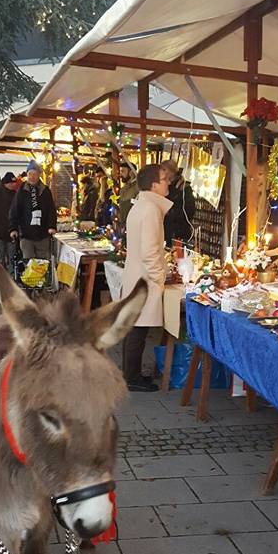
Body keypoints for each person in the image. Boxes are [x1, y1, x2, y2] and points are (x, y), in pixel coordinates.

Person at [121, 164, 172, 392]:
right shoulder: (150, 208)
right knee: (137, 330)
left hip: (136, 275)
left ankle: (130, 374)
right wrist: (159, 278)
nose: (167, 182)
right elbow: (150, 250)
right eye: (164, 179)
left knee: (135, 329)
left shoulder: (142, 205)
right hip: (144, 278)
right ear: (153, 184)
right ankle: (131, 377)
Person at [9, 159, 57, 260]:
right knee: (29, 262)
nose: (32, 177)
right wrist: (13, 228)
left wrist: (52, 226)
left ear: (39, 175)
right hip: (26, 234)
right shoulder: (21, 191)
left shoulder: (45, 190)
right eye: (30, 174)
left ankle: (43, 276)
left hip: (43, 233)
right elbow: (14, 210)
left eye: (34, 174)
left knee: (43, 262)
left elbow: (51, 210)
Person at [161, 160, 196, 245]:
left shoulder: (184, 188)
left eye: (164, 170)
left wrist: (171, 212)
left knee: (178, 256)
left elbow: (189, 210)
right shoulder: (165, 187)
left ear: (171, 171)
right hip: (166, 229)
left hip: (178, 231)